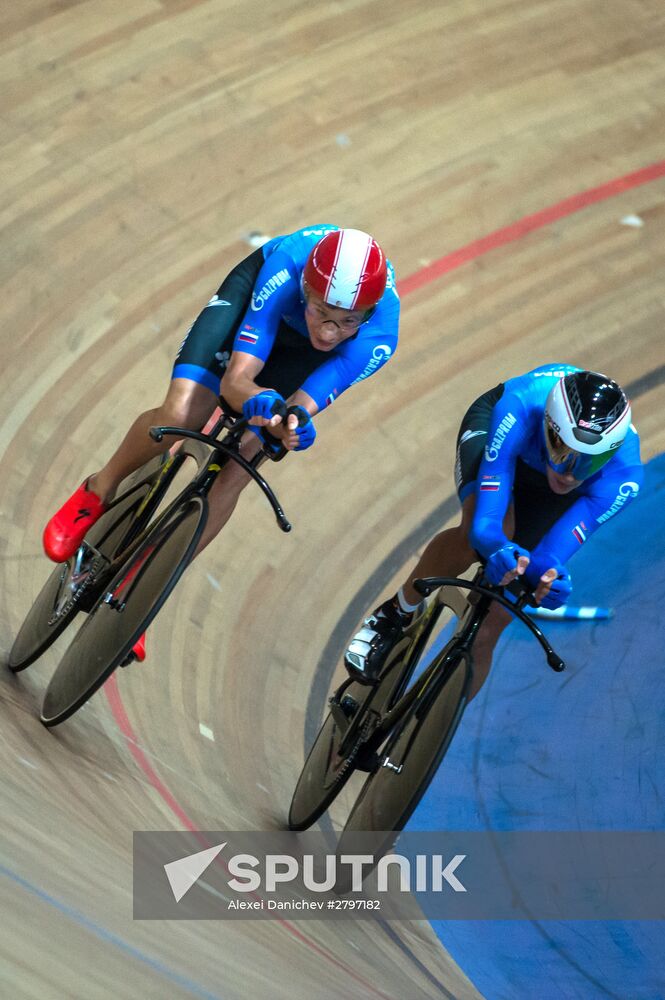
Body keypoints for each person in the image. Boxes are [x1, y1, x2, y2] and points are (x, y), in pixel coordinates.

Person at [43, 225, 400, 660]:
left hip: (305, 362)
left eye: (347, 321)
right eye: (323, 312)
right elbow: (235, 383)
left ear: (368, 313)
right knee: (180, 415)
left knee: (242, 464)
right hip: (258, 311)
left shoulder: (378, 334)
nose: (329, 332)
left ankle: (142, 588)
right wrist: (257, 398)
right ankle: (97, 489)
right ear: (307, 290)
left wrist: (291, 424)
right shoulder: (287, 271)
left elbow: (303, 404)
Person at [345, 364, 642, 698]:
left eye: (589, 462)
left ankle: (427, 730)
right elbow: (486, 528)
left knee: (495, 618)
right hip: (502, 444)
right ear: (549, 426)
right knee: (485, 532)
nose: (571, 474)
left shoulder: (624, 477)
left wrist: (551, 579)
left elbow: (550, 555)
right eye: (564, 453)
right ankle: (396, 612)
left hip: (547, 487)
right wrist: (497, 547)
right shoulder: (520, 407)